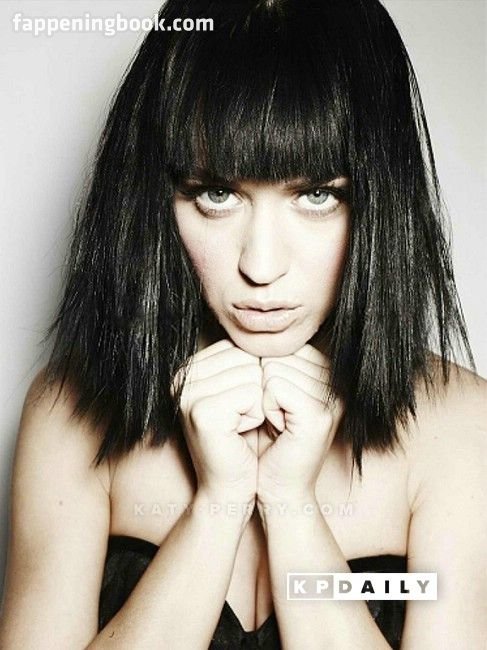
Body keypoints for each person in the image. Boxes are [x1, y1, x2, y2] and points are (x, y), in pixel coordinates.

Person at [0, 0, 486, 648]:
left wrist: (290, 505)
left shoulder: (458, 427)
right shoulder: (70, 412)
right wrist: (216, 505)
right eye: (216, 193)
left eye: (317, 195)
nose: (260, 266)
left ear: (380, 200)